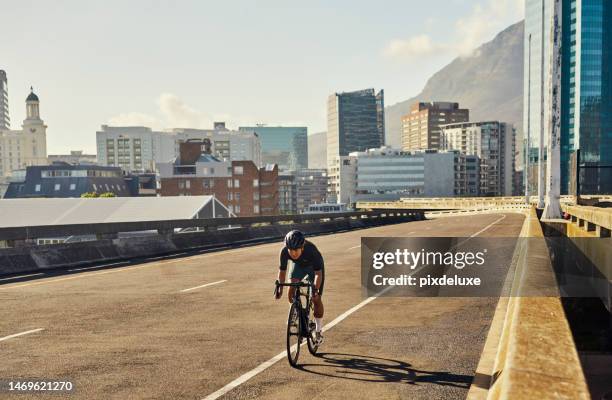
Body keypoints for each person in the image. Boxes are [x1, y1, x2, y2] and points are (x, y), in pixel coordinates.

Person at [275, 230, 325, 345]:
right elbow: (282, 271)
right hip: (298, 266)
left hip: (314, 269)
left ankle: (318, 329)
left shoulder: (311, 250)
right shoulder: (284, 252)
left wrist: (315, 290)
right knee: (291, 287)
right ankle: (296, 311)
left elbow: (318, 274)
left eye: (296, 250)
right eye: (290, 250)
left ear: (302, 247)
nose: (293, 253)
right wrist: (280, 288)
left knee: (316, 298)